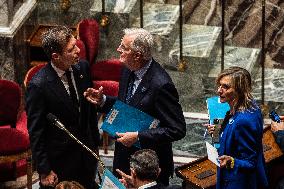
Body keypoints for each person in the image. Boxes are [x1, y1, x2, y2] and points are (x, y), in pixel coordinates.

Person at [84, 28, 186, 186]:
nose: (118, 49)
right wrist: (103, 100)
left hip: (148, 168)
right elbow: (126, 107)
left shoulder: (161, 85)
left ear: (137, 55)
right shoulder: (128, 69)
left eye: (124, 47)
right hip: (124, 158)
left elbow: (177, 129)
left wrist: (138, 136)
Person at [26, 26, 100, 189]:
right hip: (60, 162)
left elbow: (89, 111)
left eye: (76, 44)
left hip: (86, 155)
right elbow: (36, 131)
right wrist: (44, 170)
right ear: (56, 56)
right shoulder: (39, 86)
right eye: (71, 49)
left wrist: (95, 143)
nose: (78, 50)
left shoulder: (83, 68)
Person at [207, 67, 268, 189]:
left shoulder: (243, 121)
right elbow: (234, 133)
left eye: (226, 87)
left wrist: (232, 161)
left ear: (239, 90)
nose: (219, 90)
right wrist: (219, 131)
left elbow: (250, 162)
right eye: (219, 85)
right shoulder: (248, 105)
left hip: (238, 182)